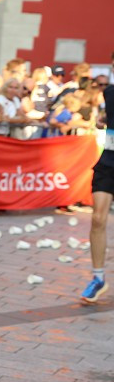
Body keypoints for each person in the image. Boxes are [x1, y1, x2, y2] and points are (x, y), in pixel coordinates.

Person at [81, 54, 114, 303]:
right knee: (98, 217)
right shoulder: (110, 92)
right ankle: (98, 278)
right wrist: (104, 122)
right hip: (108, 160)